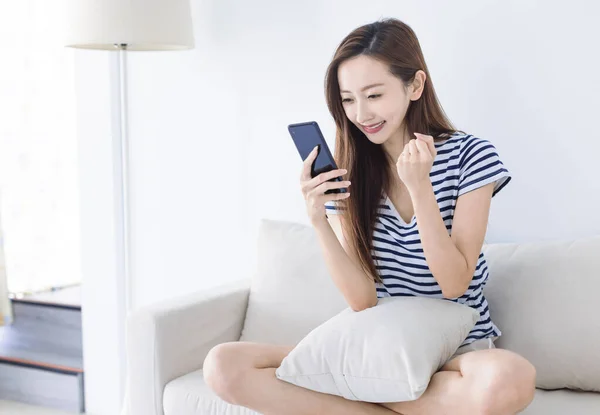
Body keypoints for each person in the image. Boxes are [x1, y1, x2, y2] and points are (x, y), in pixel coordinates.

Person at [204, 18, 536, 415]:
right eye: (347, 100)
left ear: (415, 85)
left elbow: (453, 283)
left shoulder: (471, 157)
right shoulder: (349, 172)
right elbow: (362, 300)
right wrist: (318, 220)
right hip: (380, 347)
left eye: (373, 95)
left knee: (509, 378)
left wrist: (420, 187)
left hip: (455, 351)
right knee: (223, 365)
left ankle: (363, 399)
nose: (361, 114)